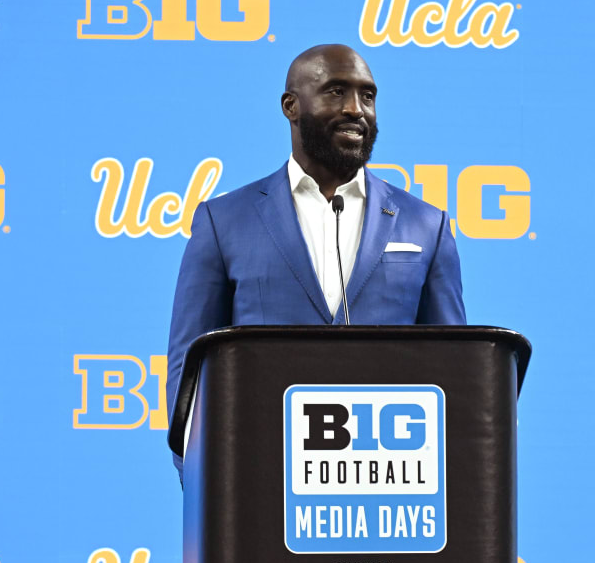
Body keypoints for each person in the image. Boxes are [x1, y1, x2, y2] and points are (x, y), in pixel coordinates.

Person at [166, 44, 466, 480]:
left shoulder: (427, 225)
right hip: (259, 481)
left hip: (388, 489)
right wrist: (201, 477)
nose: (356, 109)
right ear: (291, 106)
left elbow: (456, 371)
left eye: (368, 96)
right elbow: (188, 366)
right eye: (335, 92)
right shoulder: (223, 222)